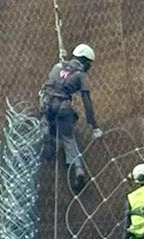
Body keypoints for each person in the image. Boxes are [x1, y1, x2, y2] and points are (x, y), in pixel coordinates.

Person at [40, 44, 101, 182]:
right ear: (85, 61)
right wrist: (94, 125)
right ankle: (78, 170)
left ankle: (47, 139)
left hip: (46, 102)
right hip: (62, 107)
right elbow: (87, 101)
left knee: (45, 121)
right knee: (68, 138)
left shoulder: (57, 66)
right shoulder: (81, 75)